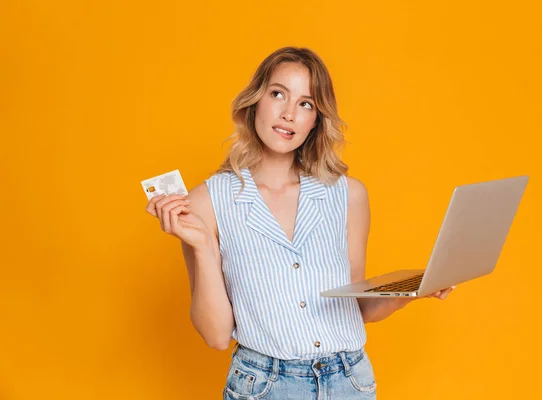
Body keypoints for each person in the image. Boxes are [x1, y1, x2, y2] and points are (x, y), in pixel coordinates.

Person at [145, 46, 454, 399]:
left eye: (306, 104)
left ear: (316, 119)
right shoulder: (206, 202)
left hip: (350, 382)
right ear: (256, 100)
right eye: (278, 94)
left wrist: (412, 291)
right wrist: (202, 246)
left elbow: (358, 307)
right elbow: (216, 336)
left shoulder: (348, 195)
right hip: (265, 386)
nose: (289, 114)